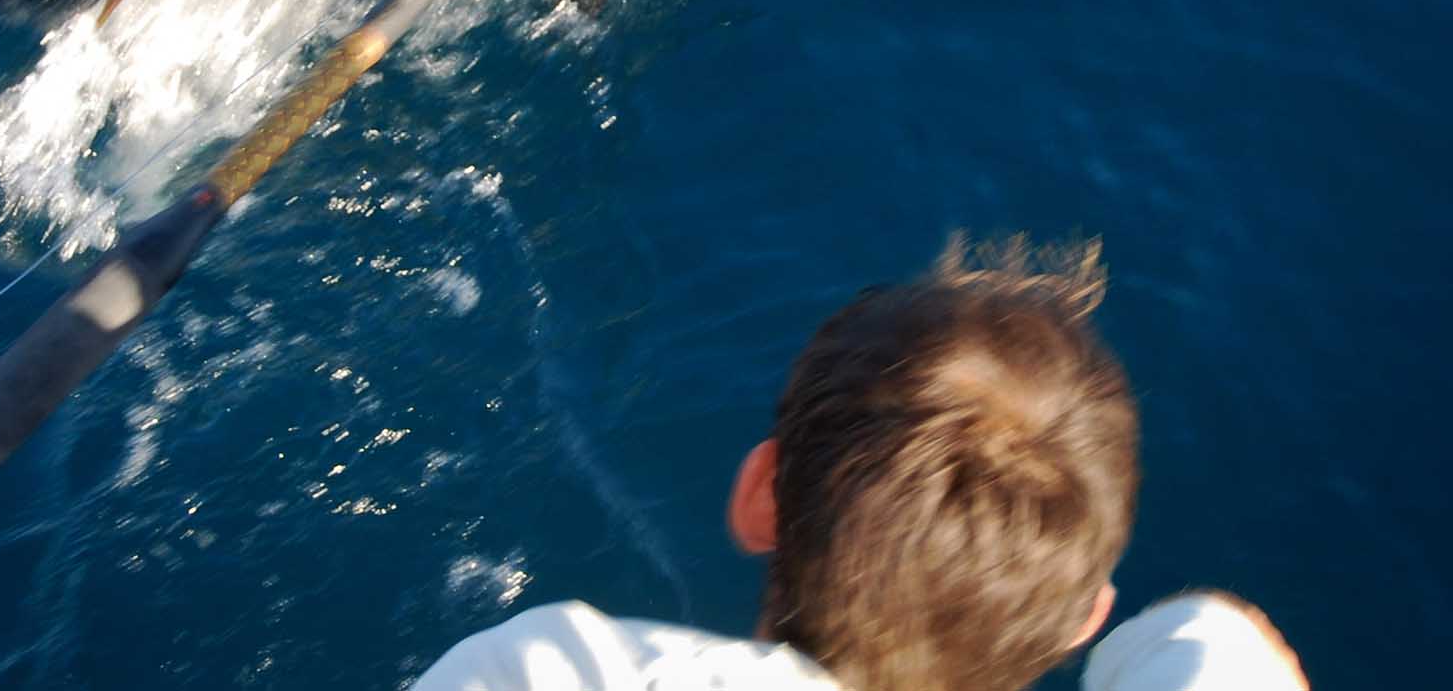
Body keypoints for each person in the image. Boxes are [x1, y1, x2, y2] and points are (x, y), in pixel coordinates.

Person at [413, 238, 1307, 691]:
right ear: (1078, 621)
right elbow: (1220, 638)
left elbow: (1208, 637)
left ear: (760, 493)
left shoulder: (560, 671)